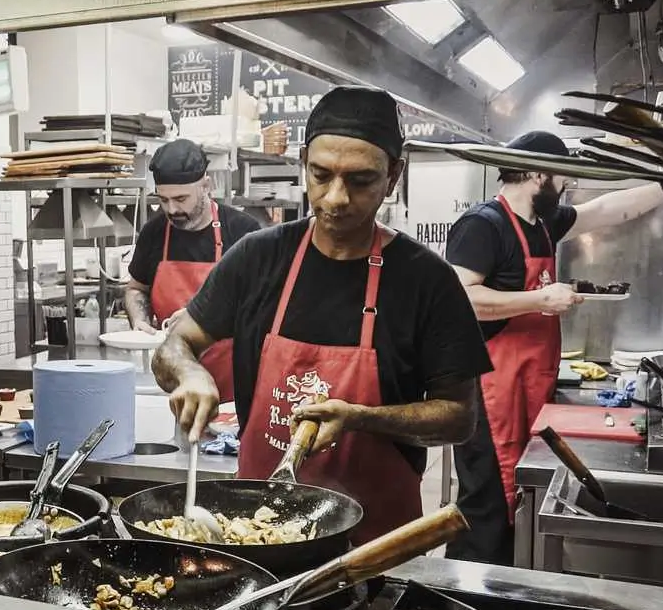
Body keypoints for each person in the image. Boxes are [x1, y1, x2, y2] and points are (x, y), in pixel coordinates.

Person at [152, 86, 493, 544]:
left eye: (360, 180)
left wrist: (360, 417)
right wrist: (189, 374)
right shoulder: (258, 257)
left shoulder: (426, 280)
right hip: (257, 533)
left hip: (373, 544)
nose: (335, 198)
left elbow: (459, 416)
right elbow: (176, 344)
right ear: (302, 164)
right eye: (321, 174)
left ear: (394, 175)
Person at [444, 131, 663, 564]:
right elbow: (461, 300)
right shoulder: (483, 225)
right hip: (489, 390)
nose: (565, 184)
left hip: (532, 382)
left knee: (524, 494)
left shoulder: (543, 223)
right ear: (535, 173)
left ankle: (515, 587)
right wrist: (540, 300)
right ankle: (464, 602)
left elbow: (607, 210)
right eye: (562, 175)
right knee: (487, 503)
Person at [125, 139, 260, 402]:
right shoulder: (154, 233)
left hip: (234, 390)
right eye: (163, 200)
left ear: (206, 186)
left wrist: (204, 316)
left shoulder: (244, 232)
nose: (172, 210)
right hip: (172, 384)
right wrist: (139, 320)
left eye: (180, 199)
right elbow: (136, 288)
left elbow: (263, 307)